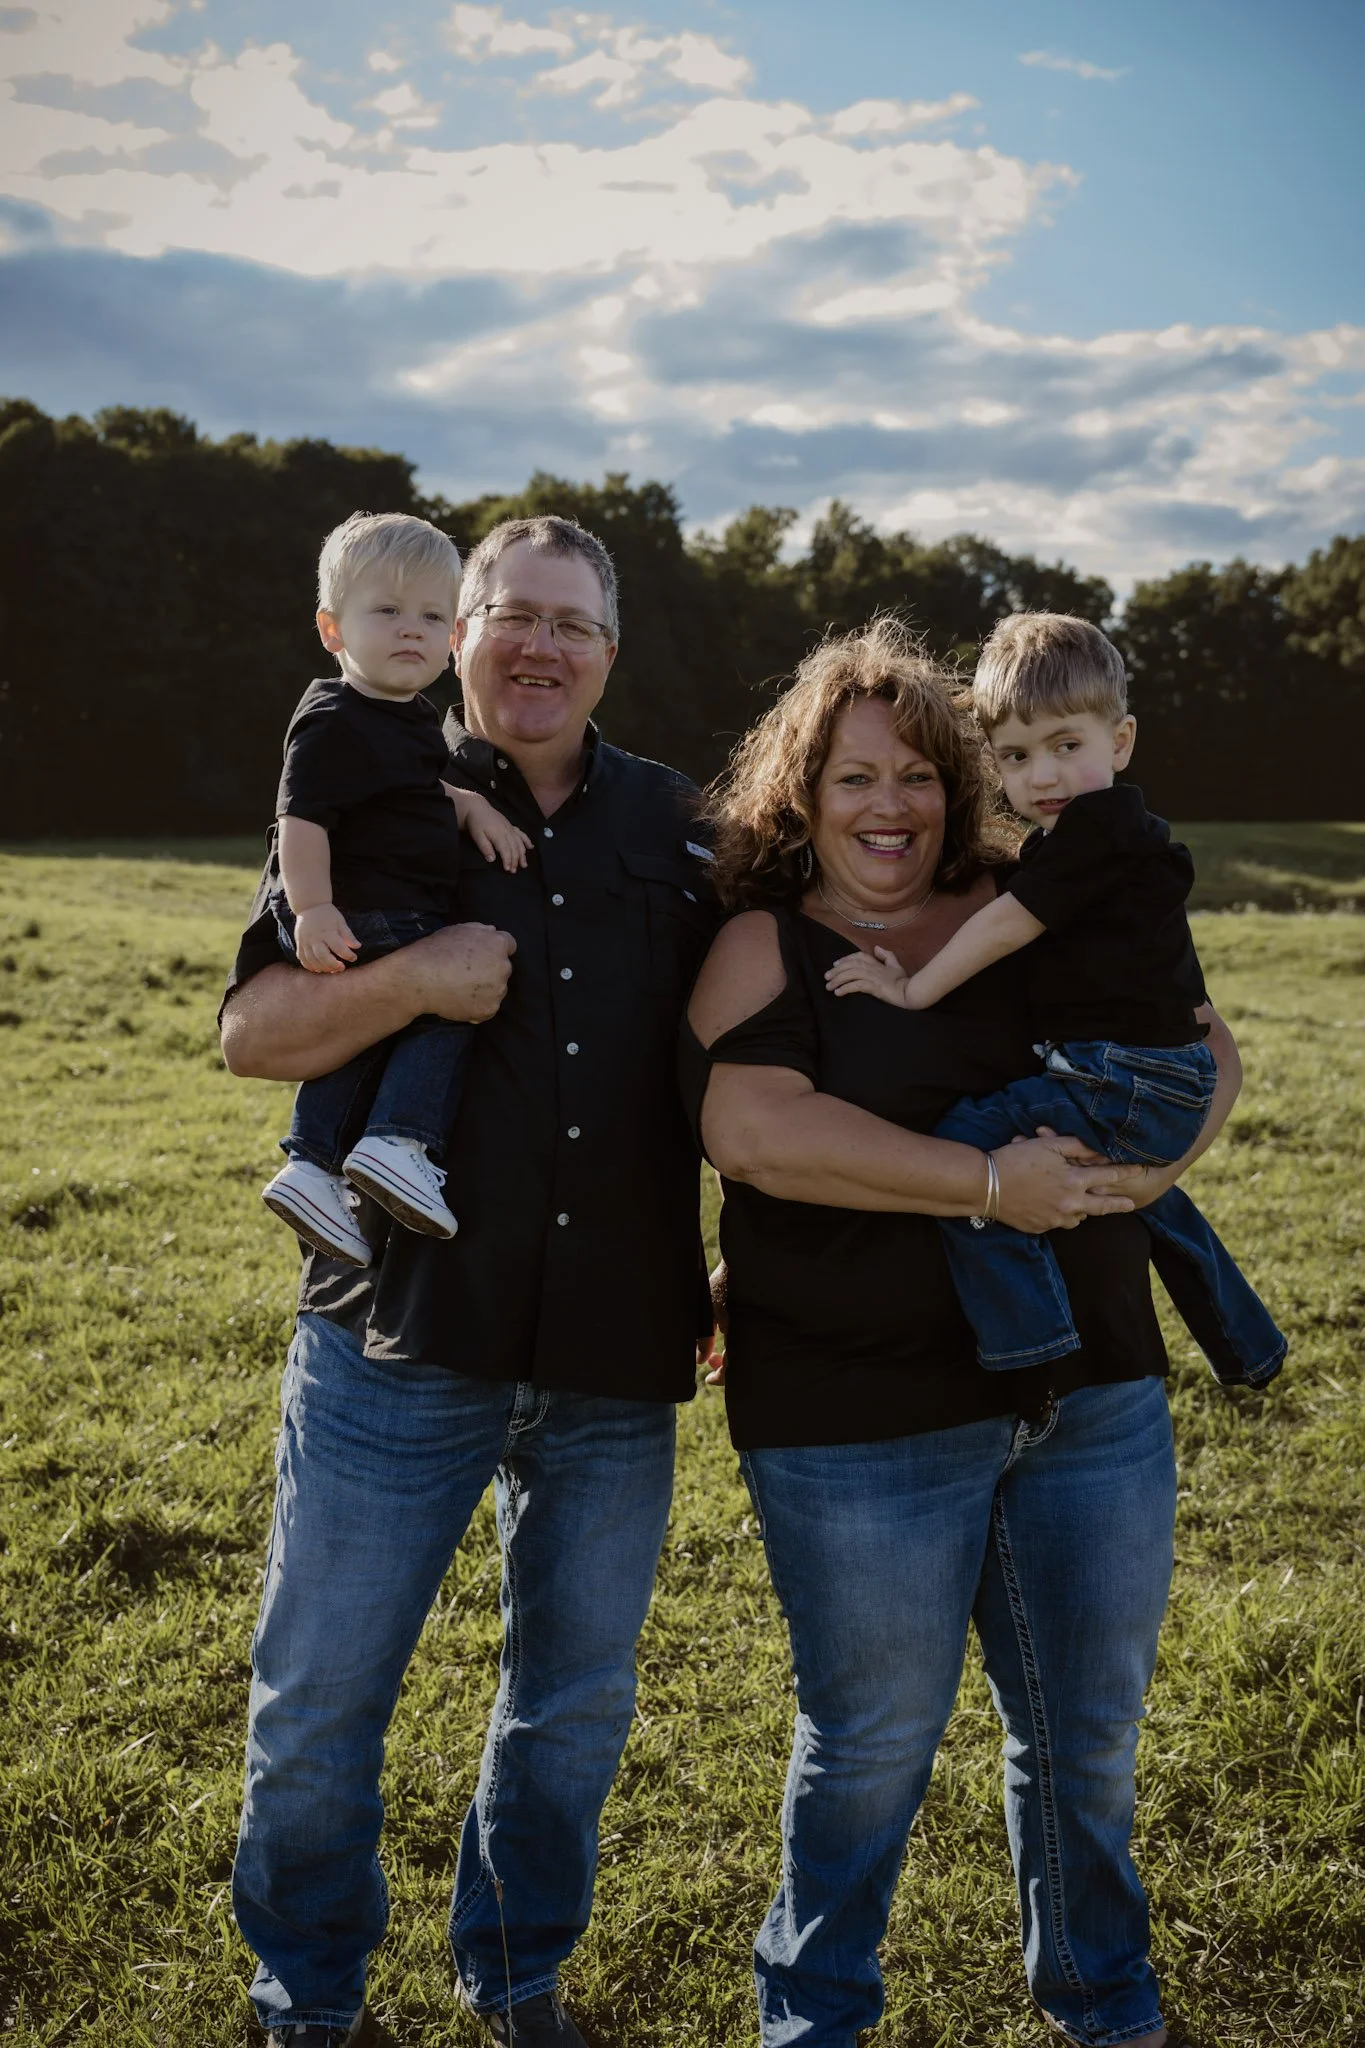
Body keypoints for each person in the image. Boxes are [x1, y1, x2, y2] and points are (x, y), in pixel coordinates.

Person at [683, 617, 1238, 2048]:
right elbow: (754, 1129)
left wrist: (1154, 1167)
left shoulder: (1036, 896)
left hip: (1091, 1389)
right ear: (799, 795)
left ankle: (1107, 2008)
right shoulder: (762, 940)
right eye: (854, 778)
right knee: (867, 1749)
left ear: (962, 782)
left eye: (918, 776)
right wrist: (990, 1185)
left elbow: (1199, 1039)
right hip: (862, 1414)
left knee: (1086, 1746)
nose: (890, 808)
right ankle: (815, 2020)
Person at [220, 514, 719, 2048]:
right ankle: (308, 2002)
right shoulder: (376, 776)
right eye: (511, 616)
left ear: (610, 653)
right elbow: (254, 1037)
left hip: (614, 1357)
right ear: (457, 631)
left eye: (573, 623)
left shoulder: (682, 829)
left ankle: (519, 1979)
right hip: (396, 1339)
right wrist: (413, 982)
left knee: (569, 1715)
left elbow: (759, 1057)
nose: (539, 647)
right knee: (319, 1704)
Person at [824, 610, 1286, 1388]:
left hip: (1123, 1075)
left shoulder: (1096, 831)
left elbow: (1006, 926)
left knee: (970, 1146)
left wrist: (910, 988)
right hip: (1154, 1077)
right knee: (1140, 1200)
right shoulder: (1107, 844)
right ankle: (1248, 1344)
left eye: (1065, 747)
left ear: (1121, 742)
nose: (1041, 777)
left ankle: (1027, 1343)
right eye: (1015, 755)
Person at [261, 511, 531, 1264]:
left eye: (431, 616)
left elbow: (413, 790)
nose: (410, 630)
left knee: (375, 1032)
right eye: (385, 611)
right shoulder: (331, 717)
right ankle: (397, 1142)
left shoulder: (407, 720)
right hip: (360, 908)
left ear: (452, 636)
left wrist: (470, 804)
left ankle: (312, 1164)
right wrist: (312, 906)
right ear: (332, 629)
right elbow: (301, 819)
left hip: (388, 906)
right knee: (448, 1005)